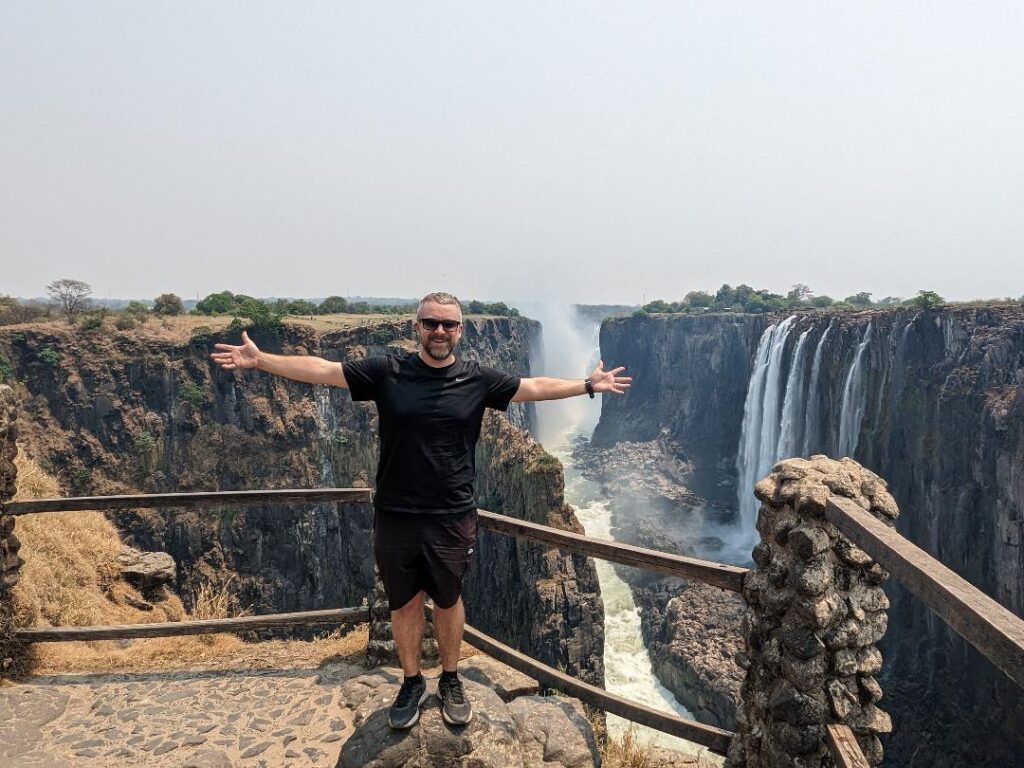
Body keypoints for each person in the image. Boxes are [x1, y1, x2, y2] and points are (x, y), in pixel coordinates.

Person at [210, 291, 630, 729]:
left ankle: (450, 679)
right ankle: (412, 681)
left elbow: (530, 388)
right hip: (396, 513)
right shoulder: (387, 370)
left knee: (448, 600)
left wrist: (586, 385)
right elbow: (324, 371)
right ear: (417, 327)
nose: (439, 332)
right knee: (404, 603)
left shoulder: (477, 379)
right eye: (431, 323)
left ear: (460, 331)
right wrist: (262, 361)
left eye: (448, 324)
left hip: (452, 514)